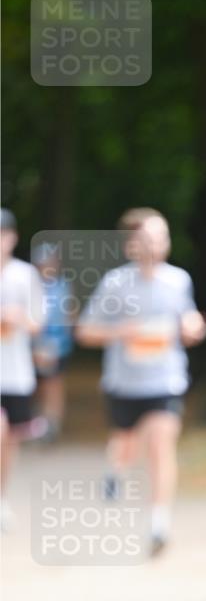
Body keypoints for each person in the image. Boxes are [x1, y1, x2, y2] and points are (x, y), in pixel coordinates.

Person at [76, 208, 206, 556]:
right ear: (131, 244)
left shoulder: (178, 279)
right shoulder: (115, 283)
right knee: (125, 444)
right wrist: (122, 331)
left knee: (161, 443)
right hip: (124, 382)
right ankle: (114, 472)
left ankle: (159, 524)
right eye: (148, 238)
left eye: (161, 236)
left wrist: (193, 326)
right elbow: (85, 331)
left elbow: (188, 318)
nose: (156, 244)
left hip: (165, 380)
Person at [0, 208, 46, 530]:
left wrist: (16, 319)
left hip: (15, 372)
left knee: (9, 440)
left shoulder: (24, 275)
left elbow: (37, 323)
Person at [32, 242, 77, 442]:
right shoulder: (31, 285)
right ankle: (39, 422)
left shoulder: (64, 286)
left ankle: (53, 423)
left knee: (55, 383)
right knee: (39, 384)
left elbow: (70, 313)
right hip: (35, 343)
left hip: (59, 344)